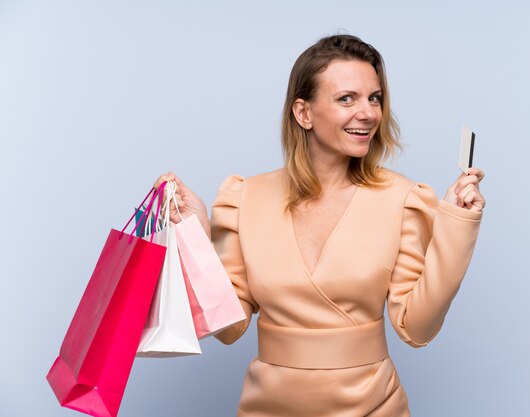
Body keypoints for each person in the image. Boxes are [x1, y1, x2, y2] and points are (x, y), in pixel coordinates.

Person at [155, 34, 485, 417]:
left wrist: (459, 224)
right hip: (268, 407)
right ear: (304, 113)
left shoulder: (403, 198)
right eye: (347, 98)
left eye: (374, 98)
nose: (368, 113)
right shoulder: (245, 198)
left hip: (373, 406)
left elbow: (417, 329)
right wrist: (196, 235)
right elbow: (230, 328)